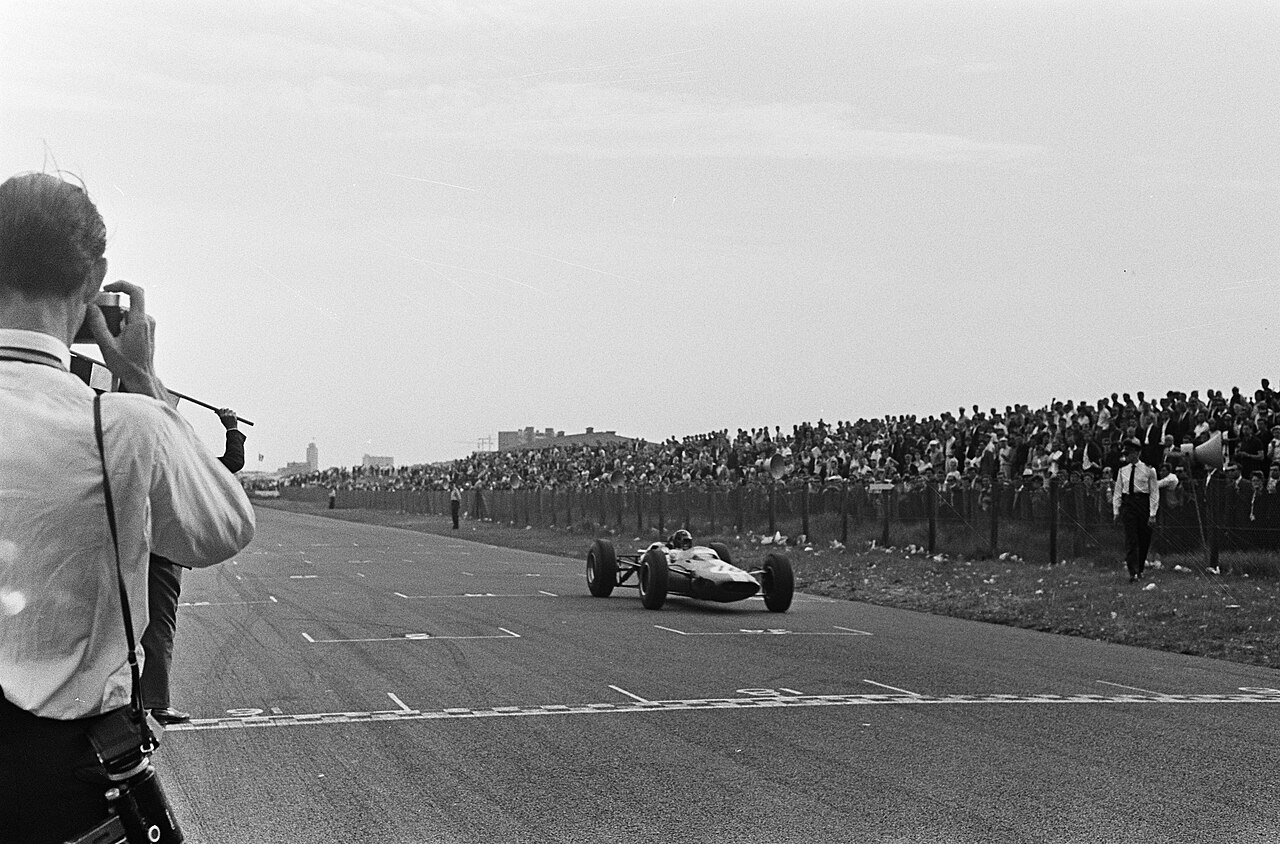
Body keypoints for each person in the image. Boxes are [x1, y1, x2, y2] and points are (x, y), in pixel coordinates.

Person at [0, 171, 255, 843]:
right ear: (94, 285)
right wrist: (144, 381)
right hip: (66, 772)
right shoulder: (122, 424)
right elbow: (226, 526)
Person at [141, 407, 246, 725]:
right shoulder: (183, 468)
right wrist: (231, 427)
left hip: (130, 552)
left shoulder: (135, 461)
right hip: (162, 554)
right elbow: (233, 463)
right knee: (160, 627)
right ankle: (157, 702)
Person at [1112, 437, 1159, 582]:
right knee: (1131, 539)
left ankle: (1140, 569)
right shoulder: (1122, 471)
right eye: (1126, 454)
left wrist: (1152, 514)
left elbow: (1154, 493)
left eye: (1131, 453)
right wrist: (1116, 510)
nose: (1128, 456)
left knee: (1144, 538)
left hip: (1143, 504)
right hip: (1129, 505)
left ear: (1138, 453)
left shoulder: (1149, 470)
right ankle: (1133, 572)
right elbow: (1118, 492)